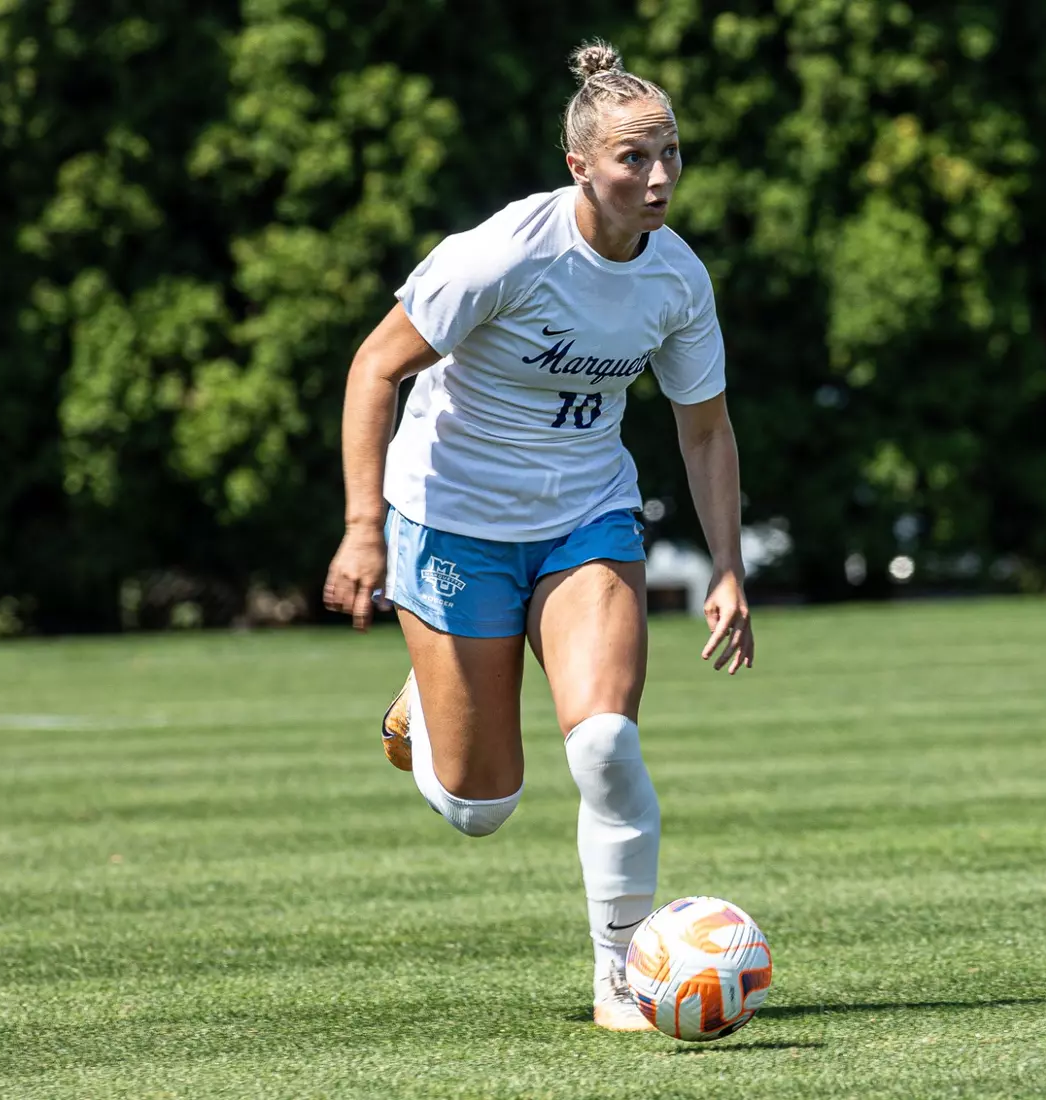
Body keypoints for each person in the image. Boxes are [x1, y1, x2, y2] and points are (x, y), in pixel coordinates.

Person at [321, 39, 754, 1031]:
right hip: (452, 520)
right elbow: (373, 368)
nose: (659, 177)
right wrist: (361, 529)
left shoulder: (677, 278)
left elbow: (704, 428)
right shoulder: (504, 254)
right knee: (481, 806)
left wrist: (727, 566)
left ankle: (622, 978)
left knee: (606, 744)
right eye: (634, 158)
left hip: (584, 518)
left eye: (671, 154)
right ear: (580, 167)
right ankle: (424, 707)